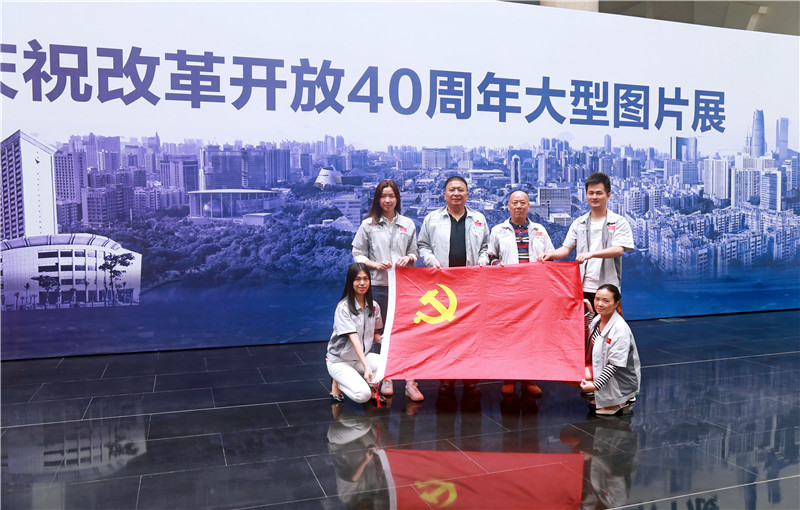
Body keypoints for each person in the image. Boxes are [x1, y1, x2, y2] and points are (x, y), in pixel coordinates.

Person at [351, 179, 424, 402]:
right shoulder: (368, 224)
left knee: (407, 333)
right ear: (377, 199)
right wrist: (373, 264)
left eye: (391, 196)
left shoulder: (408, 223)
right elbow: (357, 253)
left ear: (397, 198)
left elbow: (414, 252)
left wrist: (408, 258)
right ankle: (387, 376)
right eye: (383, 196)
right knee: (379, 334)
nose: (387, 200)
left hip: (403, 287)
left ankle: (410, 381)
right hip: (378, 286)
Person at [418, 175, 490, 396]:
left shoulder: (478, 219)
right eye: (452, 190)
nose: (456, 193)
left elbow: (486, 247)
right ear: (444, 194)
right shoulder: (432, 219)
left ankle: (471, 379)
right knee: (445, 333)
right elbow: (423, 245)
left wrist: (483, 260)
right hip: (443, 285)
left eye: (460, 190)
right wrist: (431, 260)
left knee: (470, 333)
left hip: (471, 285)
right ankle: (446, 378)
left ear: (467, 194)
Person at [488, 190, 554, 397]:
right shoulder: (498, 230)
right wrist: (497, 265)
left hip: (534, 292)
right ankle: (509, 377)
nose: (518, 206)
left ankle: (529, 379)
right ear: (508, 206)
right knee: (509, 335)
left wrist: (546, 258)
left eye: (522, 203)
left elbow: (551, 256)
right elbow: (490, 255)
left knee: (532, 336)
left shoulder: (539, 230)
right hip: (509, 292)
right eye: (514, 203)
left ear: (528, 206)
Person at [540, 172, 634, 309]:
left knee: (607, 322)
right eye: (591, 193)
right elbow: (566, 249)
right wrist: (550, 255)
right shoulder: (579, 222)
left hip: (608, 289)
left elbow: (618, 250)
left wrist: (591, 254)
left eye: (599, 193)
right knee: (584, 322)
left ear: (608, 195)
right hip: (582, 288)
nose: (594, 197)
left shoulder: (619, 222)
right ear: (586, 195)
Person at [326, 262, 384, 404]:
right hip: (340, 361)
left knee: (387, 364)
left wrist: (384, 339)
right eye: (357, 279)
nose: (362, 283)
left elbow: (374, 334)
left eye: (365, 279)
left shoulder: (374, 306)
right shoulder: (343, 308)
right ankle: (338, 382)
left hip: (360, 357)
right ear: (350, 282)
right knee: (363, 396)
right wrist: (366, 367)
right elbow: (355, 339)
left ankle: (367, 386)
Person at [579, 284, 640, 415]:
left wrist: (595, 385)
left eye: (606, 301)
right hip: (602, 366)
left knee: (577, 375)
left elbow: (614, 365)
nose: (599, 304)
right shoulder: (598, 319)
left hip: (619, 376)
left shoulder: (620, 329)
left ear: (616, 303)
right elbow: (585, 336)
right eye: (597, 299)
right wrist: (590, 313)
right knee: (573, 373)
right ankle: (606, 397)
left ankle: (619, 401)